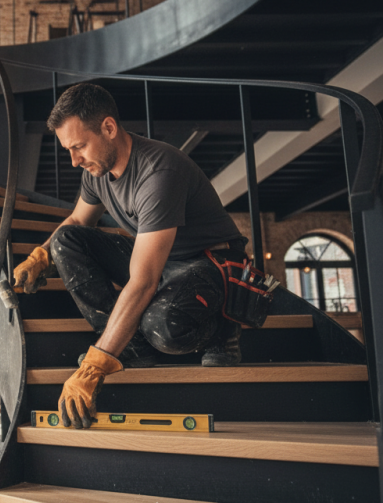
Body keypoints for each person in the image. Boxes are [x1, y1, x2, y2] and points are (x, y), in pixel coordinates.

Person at [13, 83, 249, 430]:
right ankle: (132, 349)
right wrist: (40, 257)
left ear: (109, 128)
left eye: (79, 146)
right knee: (66, 240)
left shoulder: (159, 172)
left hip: (209, 263)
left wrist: (92, 368)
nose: (74, 160)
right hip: (162, 261)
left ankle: (223, 328)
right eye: (68, 150)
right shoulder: (97, 171)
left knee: (162, 329)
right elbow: (77, 221)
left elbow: (143, 281)